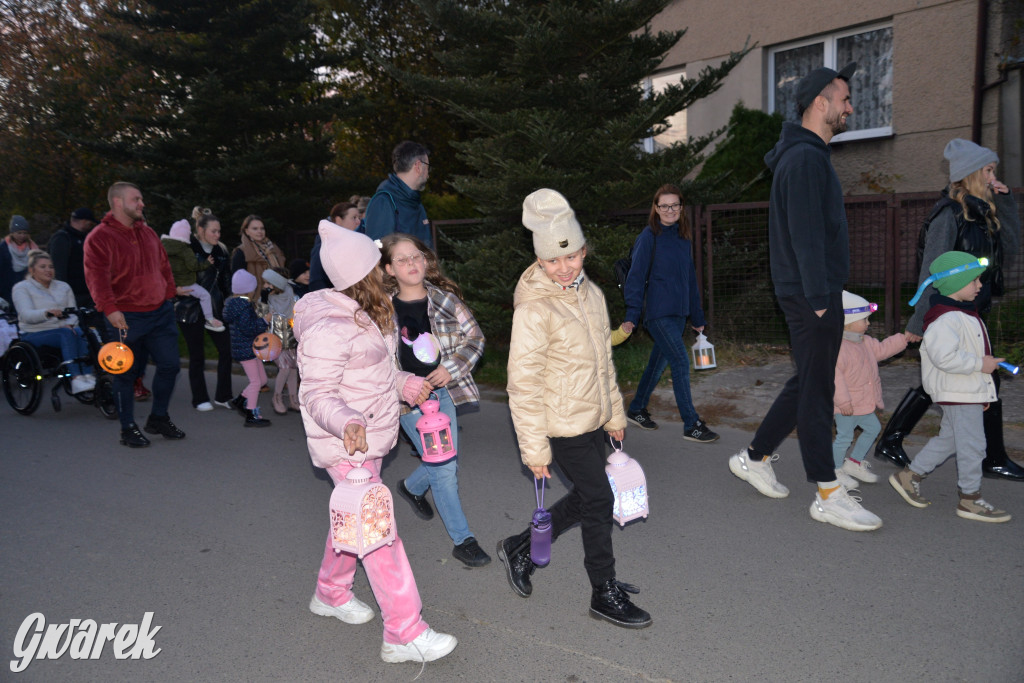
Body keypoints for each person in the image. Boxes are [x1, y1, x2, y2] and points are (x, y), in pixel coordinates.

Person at [727, 62, 884, 532]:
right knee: (818, 392)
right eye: (844, 99)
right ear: (820, 103)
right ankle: (827, 492)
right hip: (811, 295)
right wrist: (820, 297)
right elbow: (806, 235)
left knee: (808, 382)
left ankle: (754, 457)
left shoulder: (809, 156)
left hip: (813, 293)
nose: (850, 107)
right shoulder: (804, 159)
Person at [295, 219, 457, 664]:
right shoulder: (330, 325)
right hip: (348, 442)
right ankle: (404, 633)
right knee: (380, 535)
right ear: (358, 275)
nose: (386, 272)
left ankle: (330, 594)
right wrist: (345, 419)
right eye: (376, 267)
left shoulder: (366, 311)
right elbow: (316, 393)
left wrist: (405, 384)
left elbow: (376, 372)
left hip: (369, 438)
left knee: (351, 520)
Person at [499, 188, 651, 629]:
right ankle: (603, 589)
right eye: (552, 261)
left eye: (572, 257)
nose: (564, 268)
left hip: (591, 418)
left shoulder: (593, 296)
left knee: (588, 496)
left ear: (584, 250)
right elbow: (522, 384)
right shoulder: (534, 310)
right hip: (559, 426)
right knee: (599, 500)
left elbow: (604, 361)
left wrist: (614, 415)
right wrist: (535, 450)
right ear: (540, 261)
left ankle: (520, 548)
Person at [876, 139, 1023, 481]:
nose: (993, 176)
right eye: (988, 170)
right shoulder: (949, 214)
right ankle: (993, 458)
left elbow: (1012, 249)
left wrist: (1006, 201)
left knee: (946, 379)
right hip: (949, 312)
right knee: (976, 377)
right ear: (971, 173)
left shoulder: (983, 212)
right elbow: (931, 270)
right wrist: (919, 321)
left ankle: (892, 440)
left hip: (973, 308)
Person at [379, 233, 490, 568]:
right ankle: (463, 540)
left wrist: (452, 367)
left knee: (444, 459)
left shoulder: (446, 301)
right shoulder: (381, 310)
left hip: (442, 394)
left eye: (416, 257)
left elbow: (475, 338)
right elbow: (371, 357)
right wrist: (402, 385)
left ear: (425, 261)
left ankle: (412, 487)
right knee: (445, 469)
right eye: (402, 259)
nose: (411, 264)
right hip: (407, 401)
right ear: (389, 269)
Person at [889, 251, 1010, 522]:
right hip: (958, 391)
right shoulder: (946, 319)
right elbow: (945, 357)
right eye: (974, 280)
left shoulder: (962, 313)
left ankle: (909, 476)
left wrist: (982, 389)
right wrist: (981, 365)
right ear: (955, 283)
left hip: (965, 391)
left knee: (951, 439)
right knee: (974, 445)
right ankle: (970, 499)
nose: (980, 286)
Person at [83, 181, 185, 448]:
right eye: (136, 199)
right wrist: (110, 309)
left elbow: (164, 267)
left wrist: (169, 295)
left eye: (141, 199)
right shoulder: (99, 238)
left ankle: (158, 418)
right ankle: (127, 428)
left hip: (160, 313)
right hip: (125, 317)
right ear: (117, 202)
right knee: (124, 374)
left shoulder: (148, 233)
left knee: (170, 366)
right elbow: (97, 278)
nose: (141, 204)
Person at [620, 184, 719, 443]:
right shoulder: (648, 237)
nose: (670, 210)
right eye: (664, 205)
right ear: (656, 208)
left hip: (678, 313)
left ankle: (637, 408)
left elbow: (689, 280)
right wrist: (632, 314)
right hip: (657, 313)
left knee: (658, 363)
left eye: (674, 205)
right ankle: (691, 424)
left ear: (681, 207)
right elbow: (635, 276)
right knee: (680, 361)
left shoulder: (683, 238)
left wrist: (697, 317)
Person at [831, 290, 907, 488]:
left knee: (873, 428)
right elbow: (835, 377)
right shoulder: (838, 348)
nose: (869, 324)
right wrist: (843, 401)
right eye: (864, 320)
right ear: (848, 322)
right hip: (846, 406)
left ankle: (854, 462)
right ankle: (834, 470)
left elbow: (883, 349)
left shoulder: (866, 342)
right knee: (844, 437)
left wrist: (904, 339)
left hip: (864, 403)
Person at [11, 250, 96, 394]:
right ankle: (76, 378)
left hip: (63, 328)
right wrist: (46, 313)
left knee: (83, 332)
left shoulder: (63, 287)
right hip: (34, 332)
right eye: (43, 267)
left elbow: (73, 311)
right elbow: (25, 315)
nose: (48, 270)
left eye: (51, 267)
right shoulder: (21, 288)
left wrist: (71, 323)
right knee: (66, 334)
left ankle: (87, 375)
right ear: (32, 270)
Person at [178, 208, 236, 413]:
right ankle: (199, 398)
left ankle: (223, 396)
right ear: (200, 230)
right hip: (190, 309)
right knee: (197, 355)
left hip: (216, 309)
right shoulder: (185, 248)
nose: (217, 235)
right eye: (213, 231)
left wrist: (230, 297)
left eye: (219, 231)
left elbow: (226, 279)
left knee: (226, 350)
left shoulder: (221, 250)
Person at [221, 269, 271, 428]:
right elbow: (249, 328)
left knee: (262, 380)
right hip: (246, 350)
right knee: (256, 382)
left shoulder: (235, 304)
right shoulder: (243, 307)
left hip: (248, 348)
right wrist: (265, 321)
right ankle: (251, 414)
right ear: (250, 290)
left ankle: (240, 400)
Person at [364, 141, 433, 249]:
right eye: (428, 166)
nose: (428, 174)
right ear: (418, 166)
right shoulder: (384, 202)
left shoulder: (416, 203)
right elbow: (378, 253)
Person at [161, 219, 224, 333]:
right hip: (187, 283)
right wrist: (207, 263)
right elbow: (193, 266)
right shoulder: (185, 250)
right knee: (205, 295)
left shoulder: (162, 249)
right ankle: (210, 319)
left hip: (172, 285)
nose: (218, 235)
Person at [257, 268, 299, 415]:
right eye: (264, 282)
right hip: (274, 341)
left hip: (291, 340)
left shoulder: (291, 295)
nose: (265, 285)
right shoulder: (266, 298)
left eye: (268, 282)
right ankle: (277, 398)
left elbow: (298, 314)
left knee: (293, 368)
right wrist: (263, 301)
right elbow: (260, 318)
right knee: (285, 368)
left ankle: (293, 398)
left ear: (277, 284)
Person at [48, 207, 97, 308]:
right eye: (90, 223)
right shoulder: (62, 239)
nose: (91, 226)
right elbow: (58, 269)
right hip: (72, 293)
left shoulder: (85, 238)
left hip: (88, 293)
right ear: (84, 221)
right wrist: (63, 293)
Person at [309, 201, 361, 292]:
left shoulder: (355, 243)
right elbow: (316, 281)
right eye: (354, 218)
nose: (358, 222)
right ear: (338, 220)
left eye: (359, 217)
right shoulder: (324, 246)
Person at [229, 214, 286, 298]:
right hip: (254, 299)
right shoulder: (241, 252)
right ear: (247, 231)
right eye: (255, 229)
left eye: (262, 228)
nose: (260, 231)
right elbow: (239, 283)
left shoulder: (273, 249)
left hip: (277, 296)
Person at [1, 216, 40, 308]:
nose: (22, 236)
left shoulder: (32, 247)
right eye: (19, 233)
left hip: (29, 287)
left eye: (24, 233)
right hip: (8, 289)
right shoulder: (3, 248)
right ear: (12, 233)